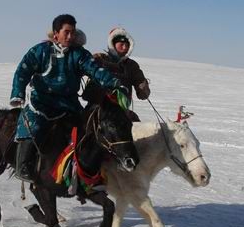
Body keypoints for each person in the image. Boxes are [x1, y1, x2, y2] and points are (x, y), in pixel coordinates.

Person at [10, 14, 125, 182]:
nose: (70, 37)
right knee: (31, 126)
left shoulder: (79, 54)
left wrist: (113, 83)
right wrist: (17, 94)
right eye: (66, 32)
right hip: (41, 103)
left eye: (73, 33)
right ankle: (23, 166)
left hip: (68, 104)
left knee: (87, 131)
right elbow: (23, 71)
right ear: (56, 33)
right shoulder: (40, 51)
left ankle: (87, 170)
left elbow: (95, 70)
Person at [83, 27, 150, 121]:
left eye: (127, 45)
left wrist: (143, 87)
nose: (125, 47)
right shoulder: (99, 59)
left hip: (121, 108)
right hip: (97, 106)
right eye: (121, 44)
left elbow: (143, 94)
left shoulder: (131, 65)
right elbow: (81, 69)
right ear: (113, 44)